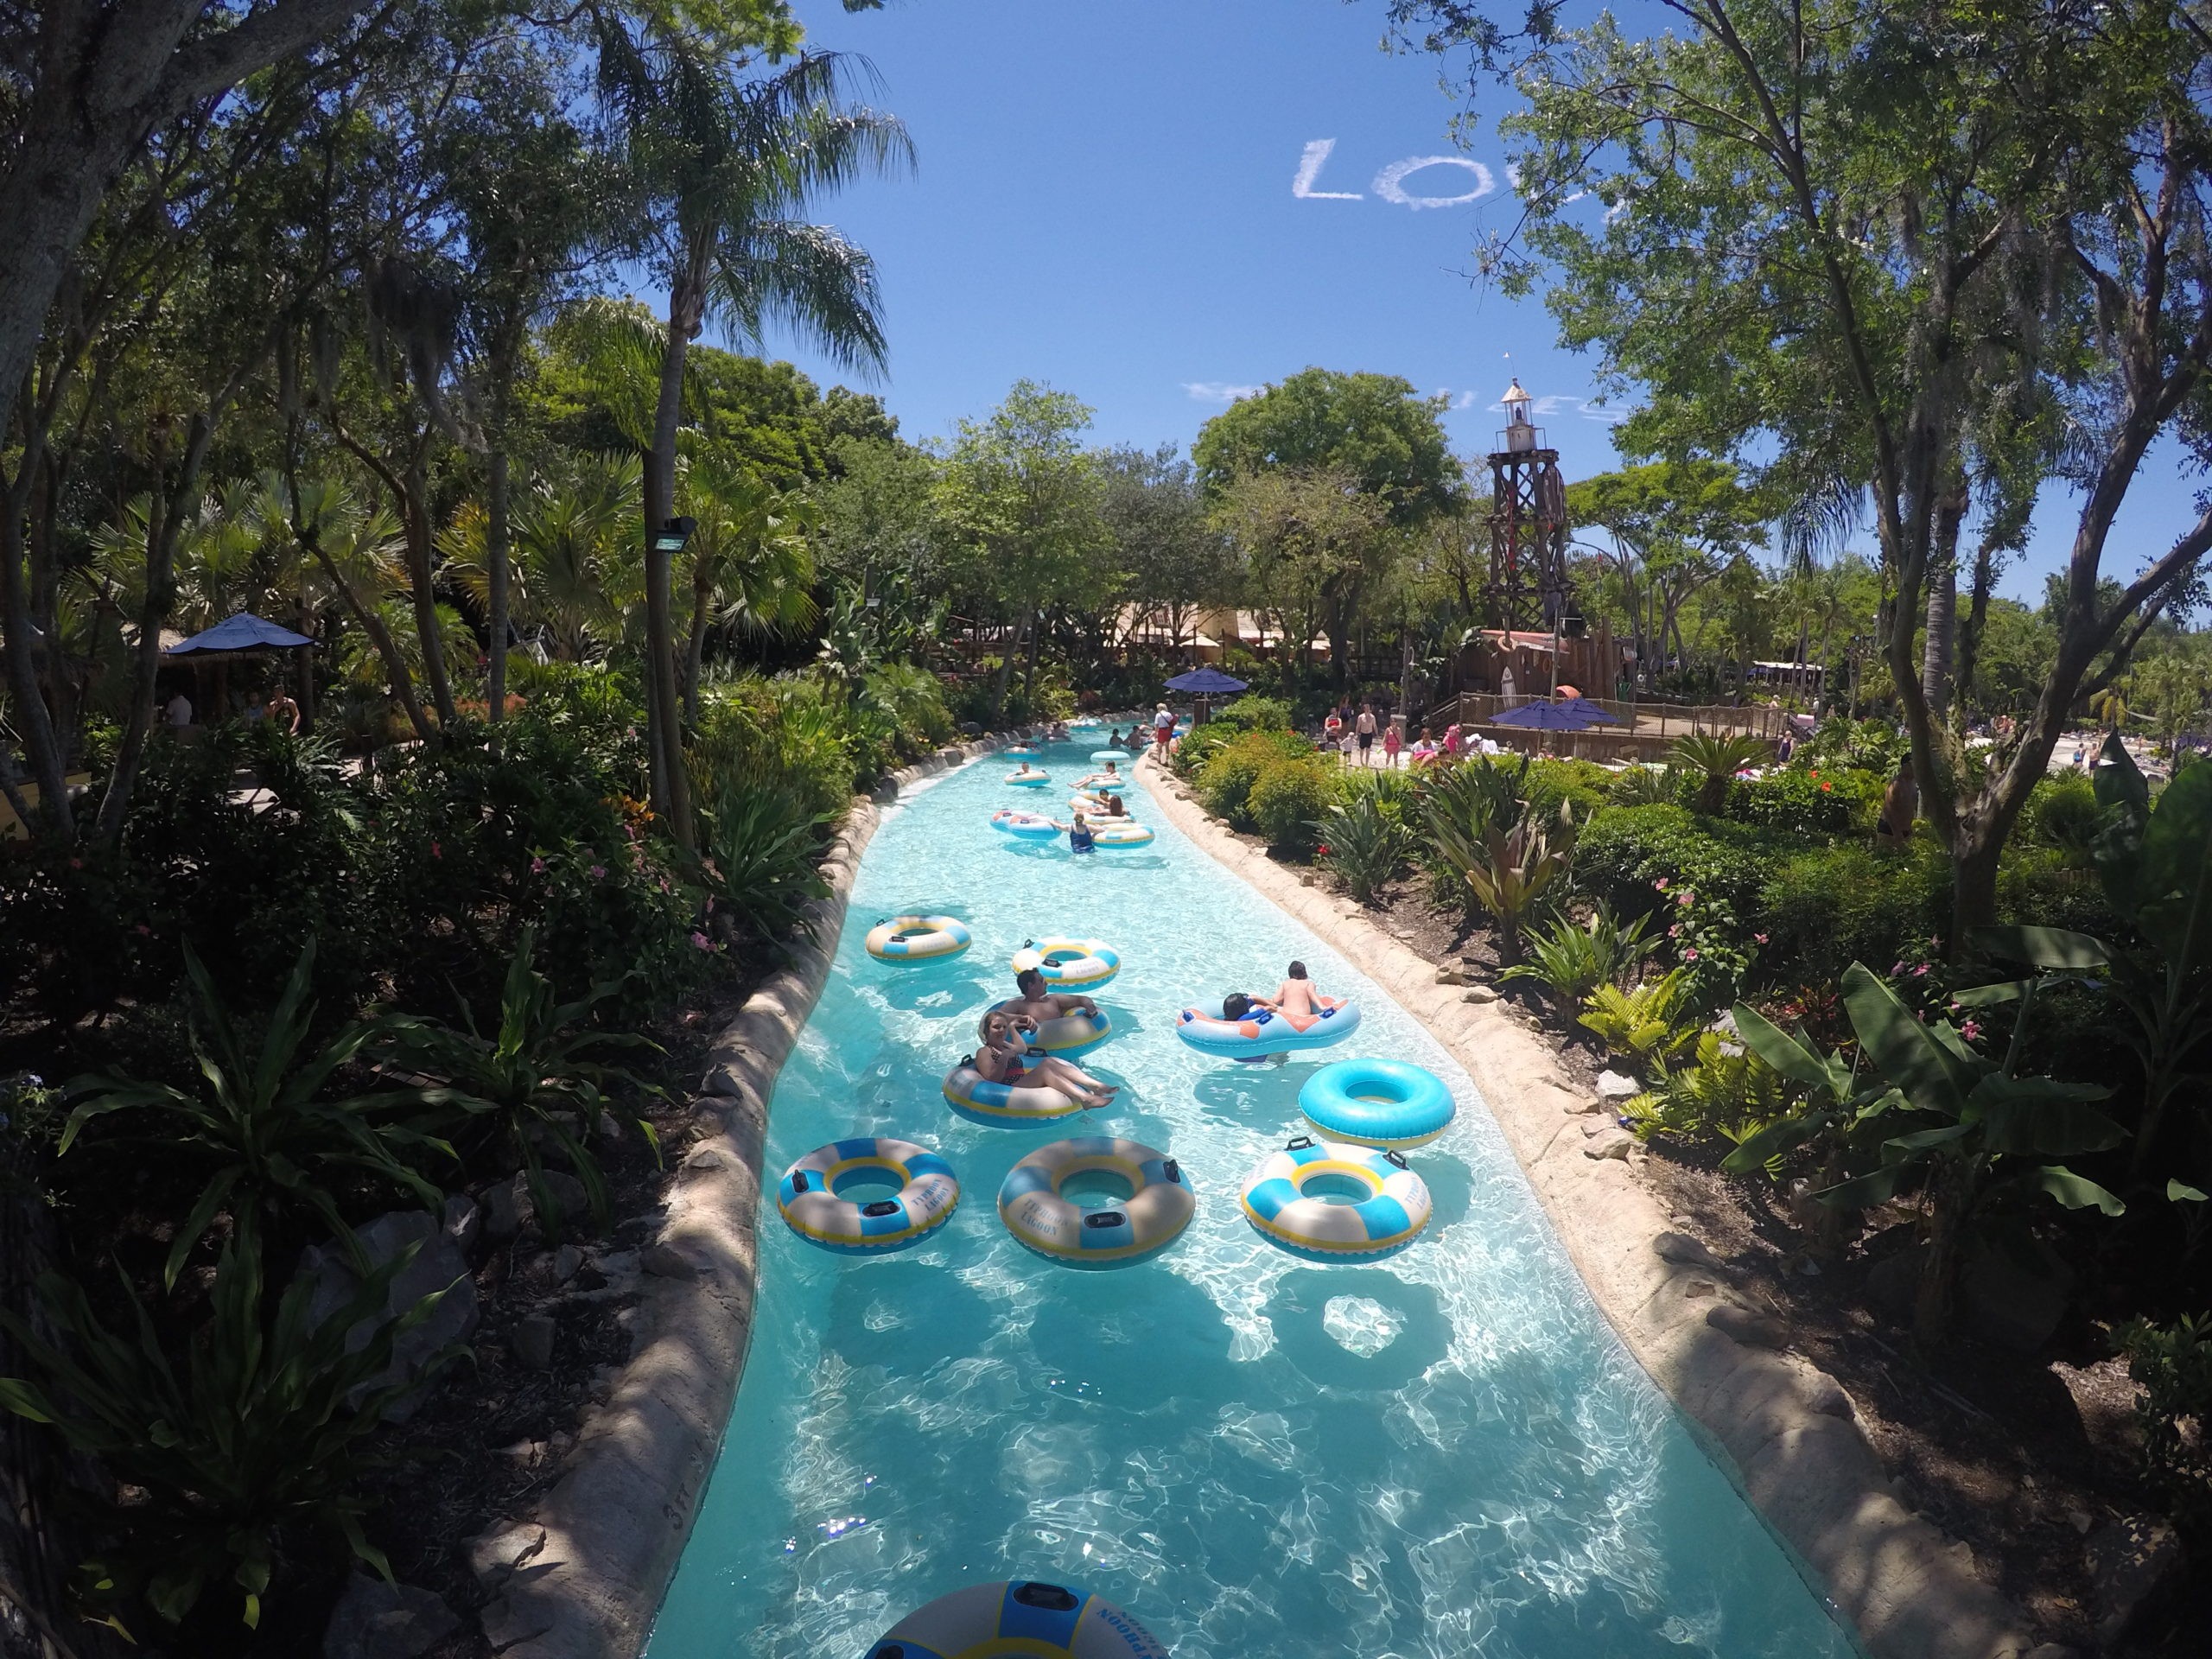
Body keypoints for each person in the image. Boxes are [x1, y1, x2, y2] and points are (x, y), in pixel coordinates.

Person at [974, 1011, 1117, 1108]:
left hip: (1022, 1082)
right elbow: (993, 1080)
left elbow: (1022, 1049)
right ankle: (1086, 1099)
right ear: (987, 1031)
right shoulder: (984, 1052)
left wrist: (1012, 1028)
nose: (1001, 1031)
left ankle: (1095, 1085)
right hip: (1009, 1089)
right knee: (1045, 1069)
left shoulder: (1005, 1046)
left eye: (1003, 1027)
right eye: (996, 1027)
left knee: (1049, 1061)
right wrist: (1004, 1059)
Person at [1005, 967, 1099, 1026]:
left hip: (1065, 1043)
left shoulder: (1053, 999)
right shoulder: (1018, 1005)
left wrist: (1089, 1006)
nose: (1046, 983)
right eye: (1041, 981)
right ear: (1031, 986)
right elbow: (995, 1017)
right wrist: (1020, 1018)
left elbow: (1082, 999)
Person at [1876, 759, 1918, 850]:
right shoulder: (1896, 784)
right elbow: (1888, 809)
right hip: (1889, 829)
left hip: (1905, 830)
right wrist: (1897, 832)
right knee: (1886, 860)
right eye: (1913, 765)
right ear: (1905, 766)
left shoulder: (1912, 783)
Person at [1356, 702, 1376, 767]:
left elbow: (1375, 726)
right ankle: (1361, 761)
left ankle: (1367, 763)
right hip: (1363, 734)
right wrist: (1356, 734)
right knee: (1362, 749)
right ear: (1364, 709)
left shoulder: (1372, 717)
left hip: (1369, 734)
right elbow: (1358, 726)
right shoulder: (1361, 717)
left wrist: (1377, 733)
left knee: (1368, 749)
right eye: (1366, 708)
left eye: (1368, 708)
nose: (1367, 709)